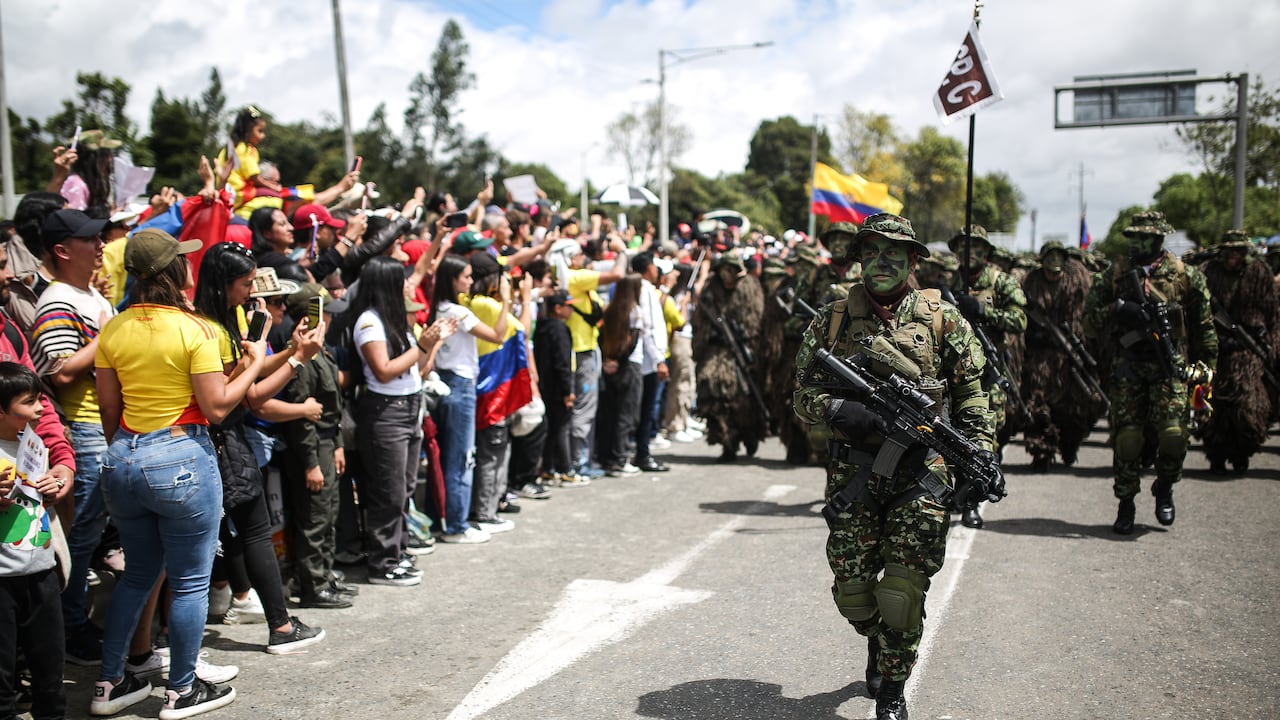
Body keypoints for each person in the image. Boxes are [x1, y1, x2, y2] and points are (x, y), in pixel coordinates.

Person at [793, 213, 999, 720]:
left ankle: (892, 690)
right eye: (870, 253)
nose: (879, 263)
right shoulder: (834, 320)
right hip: (854, 473)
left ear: (912, 262)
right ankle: (881, 642)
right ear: (858, 258)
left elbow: (974, 393)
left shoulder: (941, 318)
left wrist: (978, 453)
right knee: (854, 593)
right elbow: (802, 394)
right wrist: (840, 410)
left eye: (892, 254)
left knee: (902, 591)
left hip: (922, 473)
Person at [92, 229, 246, 718]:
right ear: (174, 272)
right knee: (189, 583)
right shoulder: (195, 328)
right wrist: (254, 366)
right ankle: (182, 689)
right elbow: (217, 407)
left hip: (124, 457)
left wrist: (132, 451)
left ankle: (109, 683)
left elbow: (109, 412)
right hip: (180, 457)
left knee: (137, 577)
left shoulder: (113, 328)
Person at [192, 242, 327, 654]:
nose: (252, 292)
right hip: (221, 438)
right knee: (252, 531)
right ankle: (281, 626)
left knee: (238, 533)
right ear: (223, 283)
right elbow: (248, 395)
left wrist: (288, 350)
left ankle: (253, 610)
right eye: (246, 283)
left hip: (225, 438)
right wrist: (298, 361)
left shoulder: (225, 317)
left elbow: (246, 369)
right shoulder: (208, 328)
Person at [1082, 211, 1217, 534]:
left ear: (1159, 239)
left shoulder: (1185, 275)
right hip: (1128, 366)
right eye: (1134, 237)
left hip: (1170, 367)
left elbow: (1204, 327)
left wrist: (1208, 369)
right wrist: (1117, 310)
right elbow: (1088, 321)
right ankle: (1126, 502)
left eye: (1145, 237)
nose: (1138, 243)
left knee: (1173, 436)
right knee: (1127, 438)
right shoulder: (1114, 274)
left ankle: (1165, 486)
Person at [29, 209, 116, 667]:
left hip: (104, 425)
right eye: (90, 238)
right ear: (62, 251)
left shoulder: (83, 295)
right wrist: (111, 335)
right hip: (84, 427)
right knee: (82, 533)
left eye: (100, 236)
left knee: (92, 530)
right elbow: (59, 372)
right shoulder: (56, 302)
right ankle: (73, 626)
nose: (101, 244)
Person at [354, 257, 452, 578]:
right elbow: (383, 372)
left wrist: (433, 342)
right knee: (389, 490)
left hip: (410, 406)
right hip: (386, 411)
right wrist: (423, 344)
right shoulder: (369, 322)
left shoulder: (394, 319)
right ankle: (383, 563)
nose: (407, 285)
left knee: (405, 487)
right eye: (401, 280)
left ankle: (398, 550)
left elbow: (418, 369)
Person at [0, 363, 68, 720]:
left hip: (40, 570)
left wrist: (52, 486)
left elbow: (39, 496)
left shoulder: (34, 442)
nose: (42, 408)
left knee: (50, 672)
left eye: (41, 399)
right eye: (30, 402)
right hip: (2, 579)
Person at [947, 225, 1026, 529]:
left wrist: (983, 310)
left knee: (983, 435)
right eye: (964, 247)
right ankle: (958, 489)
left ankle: (973, 501)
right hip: (953, 370)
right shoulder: (948, 282)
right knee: (951, 434)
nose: (971, 253)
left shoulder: (1001, 282)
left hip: (988, 370)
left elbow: (1020, 319)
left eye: (977, 247)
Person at [280, 284, 354, 607]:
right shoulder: (303, 358)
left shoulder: (319, 351)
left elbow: (332, 406)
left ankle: (325, 574)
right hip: (312, 447)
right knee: (314, 518)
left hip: (327, 443)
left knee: (329, 513)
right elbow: (302, 417)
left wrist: (337, 444)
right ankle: (312, 584)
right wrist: (311, 462)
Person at [430, 255, 510, 543]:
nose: (470, 280)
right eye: (465, 276)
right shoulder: (456, 311)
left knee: (454, 456)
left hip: (451, 383)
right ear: (452, 279)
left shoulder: (442, 307)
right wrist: (509, 300)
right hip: (459, 384)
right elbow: (498, 335)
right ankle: (456, 525)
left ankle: (453, 521)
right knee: (461, 457)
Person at [546, 236, 628, 478]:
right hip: (582, 352)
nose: (584, 259)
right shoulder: (574, 277)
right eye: (580, 255)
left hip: (581, 350)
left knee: (581, 410)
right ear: (571, 258)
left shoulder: (563, 277)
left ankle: (576, 460)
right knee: (584, 410)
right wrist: (621, 251)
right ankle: (577, 462)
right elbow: (617, 274)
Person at [1197, 229, 1275, 474]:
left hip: (1246, 351)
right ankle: (1216, 454)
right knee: (1212, 407)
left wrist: (1263, 337)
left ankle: (1242, 453)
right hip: (1215, 348)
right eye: (1230, 251)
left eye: (1239, 251)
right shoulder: (1208, 273)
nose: (1234, 256)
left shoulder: (1259, 273)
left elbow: (1271, 311)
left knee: (1247, 405)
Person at [1019, 240, 1102, 471]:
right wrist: (1035, 335)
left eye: (1058, 257)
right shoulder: (1030, 282)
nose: (1054, 262)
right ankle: (1041, 450)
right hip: (1040, 356)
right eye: (1049, 257)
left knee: (1076, 404)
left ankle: (1069, 443)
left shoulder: (1077, 282)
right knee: (1037, 401)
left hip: (1070, 353)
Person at [691, 253, 766, 463]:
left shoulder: (749, 288)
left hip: (743, 350)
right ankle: (726, 442)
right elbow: (700, 318)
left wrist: (745, 337)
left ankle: (750, 434)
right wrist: (709, 334)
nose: (727, 275)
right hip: (716, 351)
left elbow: (755, 317)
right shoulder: (710, 292)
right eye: (723, 271)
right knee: (712, 390)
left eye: (731, 271)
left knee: (744, 398)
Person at [534, 289, 575, 485]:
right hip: (557, 388)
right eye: (569, 306)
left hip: (545, 386)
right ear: (558, 308)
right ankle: (564, 468)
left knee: (550, 429)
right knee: (560, 427)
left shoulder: (541, 326)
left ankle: (548, 468)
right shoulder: (558, 329)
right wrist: (568, 390)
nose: (572, 310)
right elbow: (562, 362)